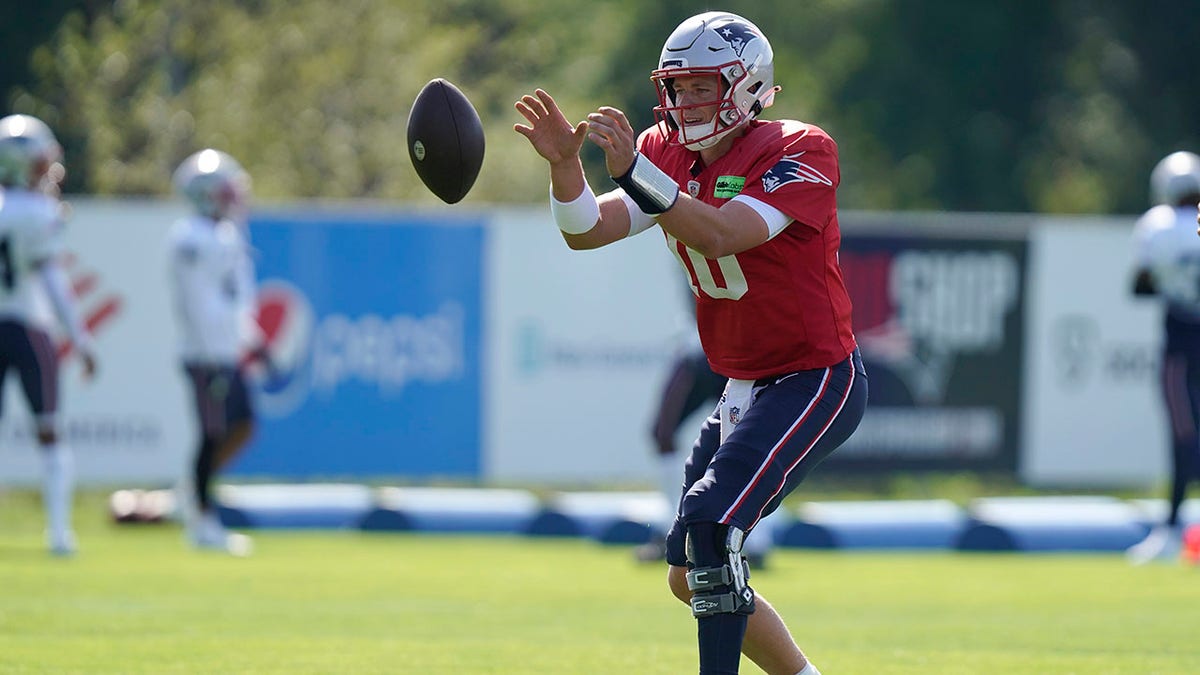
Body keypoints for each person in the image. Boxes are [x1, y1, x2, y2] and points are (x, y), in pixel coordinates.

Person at [515, 11, 868, 675]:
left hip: (814, 374)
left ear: (748, 85)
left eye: (703, 87)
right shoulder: (663, 152)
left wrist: (634, 174)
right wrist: (567, 167)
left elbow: (720, 232)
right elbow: (585, 230)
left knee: (712, 526)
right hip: (742, 379)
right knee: (686, 570)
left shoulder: (800, 148)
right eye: (677, 88)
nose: (686, 103)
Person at [0, 113, 97, 556]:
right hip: (27, 324)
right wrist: (80, 337)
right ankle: (59, 533)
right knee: (50, 431)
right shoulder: (38, 212)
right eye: (39, 164)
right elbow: (53, 281)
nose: (46, 172)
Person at [167, 148, 269, 557]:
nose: (234, 198)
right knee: (211, 433)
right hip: (204, 354)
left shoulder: (228, 236)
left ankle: (191, 490)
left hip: (226, 352)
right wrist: (214, 353)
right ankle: (201, 520)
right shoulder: (189, 237)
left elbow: (238, 298)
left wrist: (252, 339)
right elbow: (196, 303)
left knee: (242, 424)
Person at [1126, 150, 1200, 565]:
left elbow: (1140, 285)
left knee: (1184, 438)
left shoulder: (1157, 228)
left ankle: (1172, 528)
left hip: (1182, 345)